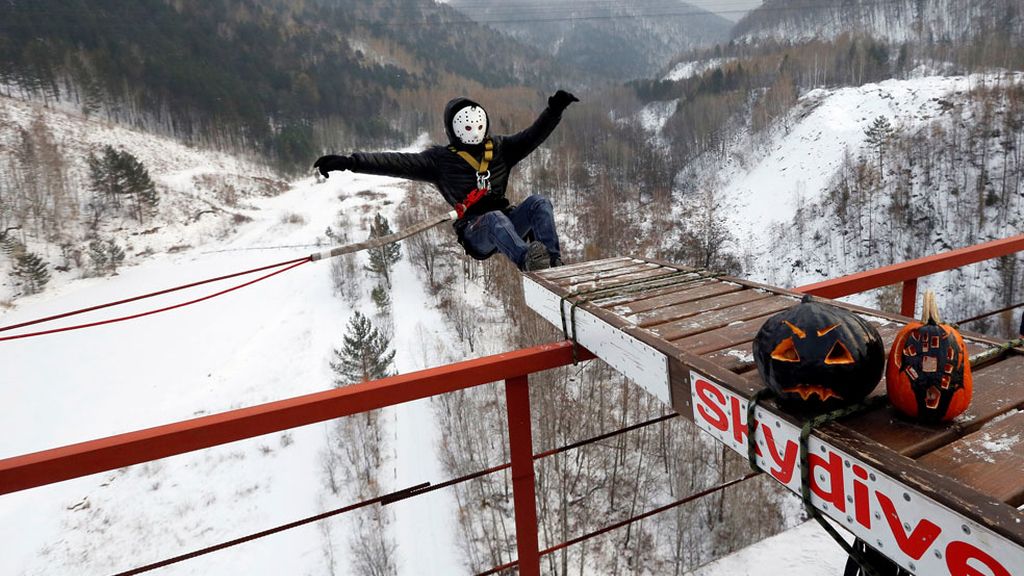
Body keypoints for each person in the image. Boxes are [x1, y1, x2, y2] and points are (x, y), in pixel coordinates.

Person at [314, 90, 578, 271]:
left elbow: (533, 136)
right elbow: (395, 162)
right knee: (493, 218)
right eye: (467, 127)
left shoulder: (500, 149)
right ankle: (529, 261)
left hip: (507, 222)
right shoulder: (439, 161)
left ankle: (552, 262)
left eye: (478, 125)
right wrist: (350, 162)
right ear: (454, 130)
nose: (474, 132)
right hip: (476, 232)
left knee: (538, 203)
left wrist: (553, 111)